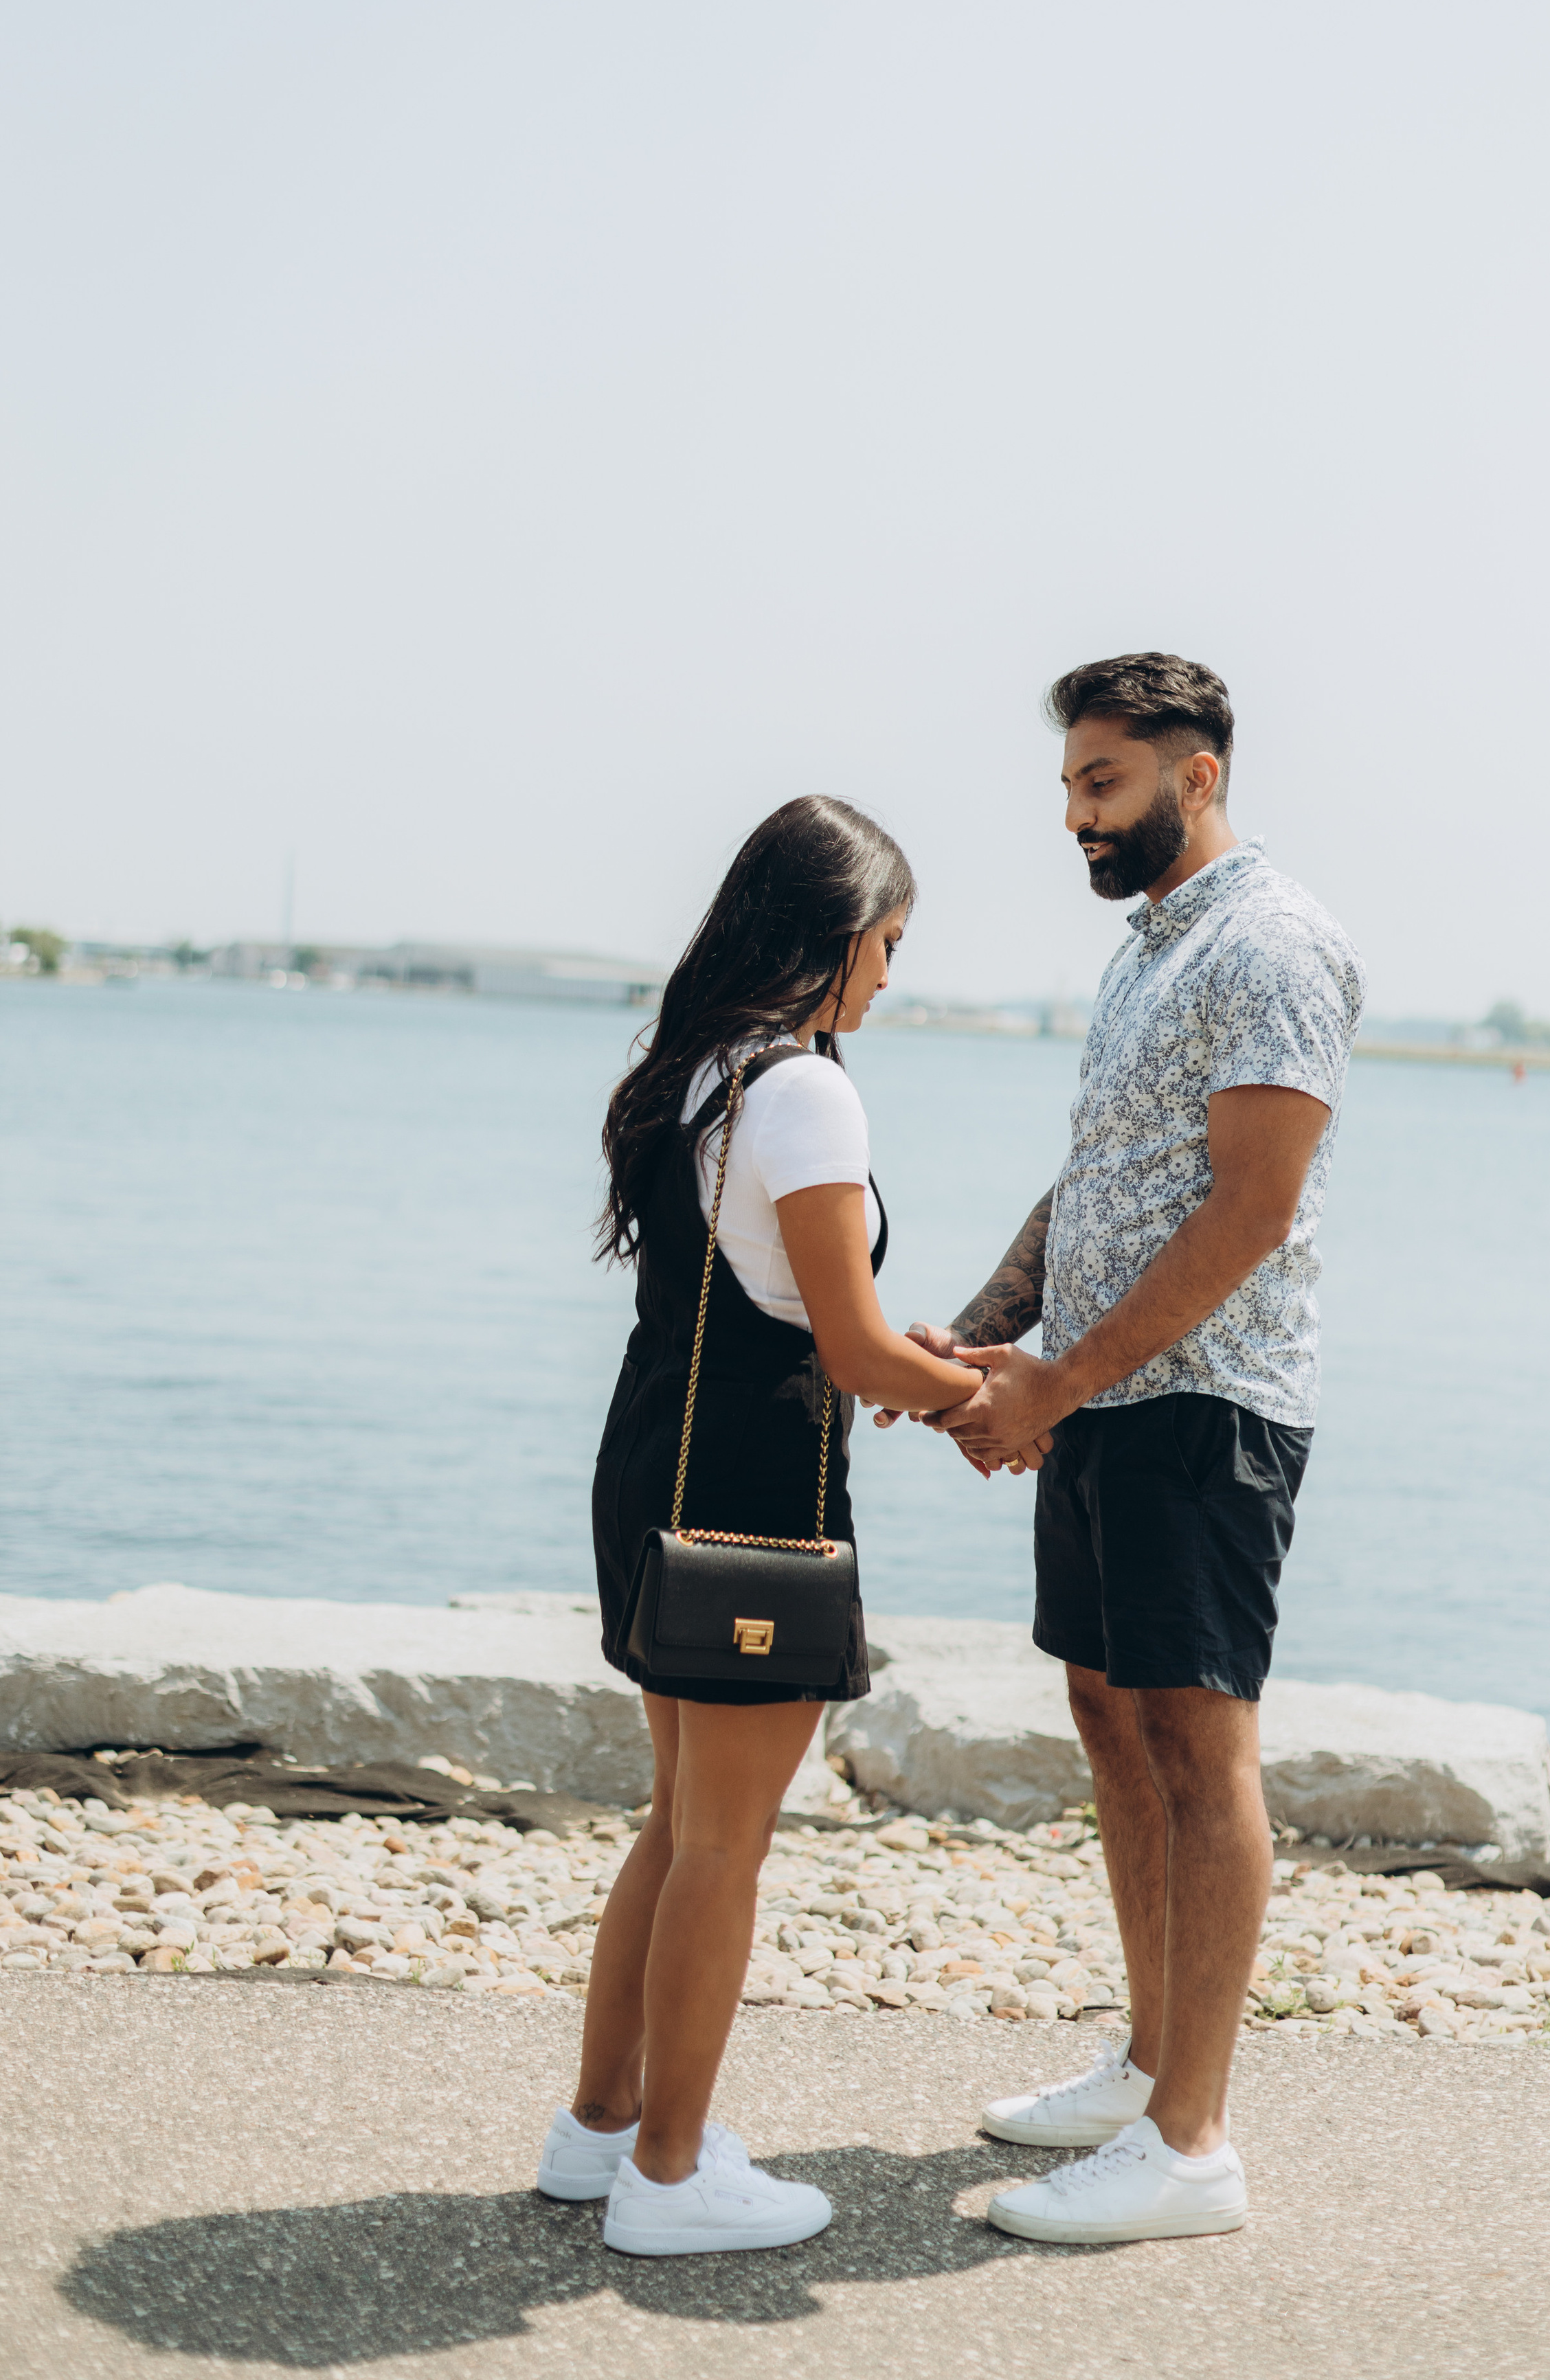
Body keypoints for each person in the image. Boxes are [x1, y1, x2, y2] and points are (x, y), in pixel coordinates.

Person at [888, 652, 1362, 2246]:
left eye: (1101, 786)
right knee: (1107, 1714)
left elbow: (1251, 1207)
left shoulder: (1272, 944)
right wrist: (983, 1331)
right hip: (1107, 1395)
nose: (1076, 819)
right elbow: (1100, 1174)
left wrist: (1059, 1380)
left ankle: (1191, 2146)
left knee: (1195, 1745)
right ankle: (1152, 2063)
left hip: (1206, 1405)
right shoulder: (1150, 950)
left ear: (1196, 777)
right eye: (1069, 789)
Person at [535, 794, 1007, 2258]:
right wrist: (992, 1400)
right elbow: (856, 1354)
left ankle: (599, 2129)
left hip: (653, 1468)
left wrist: (896, 1352)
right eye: (888, 946)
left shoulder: (699, 1076)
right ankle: (669, 2180)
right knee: (722, 1845)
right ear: (837, 936)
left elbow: (800, 1307)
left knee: (678, 1825)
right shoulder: (804, 1091)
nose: (888, 978)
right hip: (748, 1493)